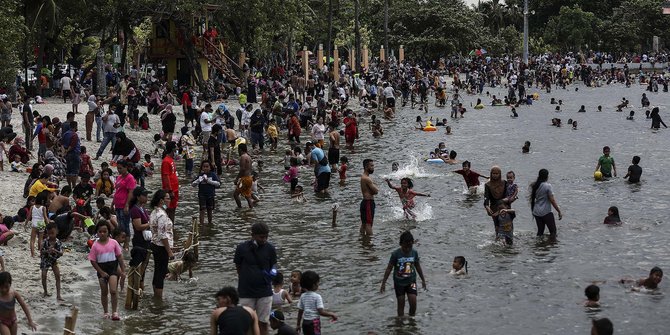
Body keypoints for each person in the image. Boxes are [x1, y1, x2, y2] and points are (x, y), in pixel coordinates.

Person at [234, 222, 277, 335]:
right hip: (246, 292)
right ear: (253, 235)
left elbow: (273, 264)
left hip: (265, 292)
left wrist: (273, 272)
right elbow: (238, 266)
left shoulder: (270, 249)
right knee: (246, 322)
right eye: (261, 237)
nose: (264, 239)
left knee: (263, 322)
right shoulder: (241, 248)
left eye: (266, 236)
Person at [380, 231, 427, 317]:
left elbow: (417, 266)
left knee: (413, 303)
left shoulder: (414, 253)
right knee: (401, 304)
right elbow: (389, 268)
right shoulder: (395, 254)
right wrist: (383, 283)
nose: (408, 249)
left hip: (411, 282)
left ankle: (411, 322)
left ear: (412, 243)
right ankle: (400, 324)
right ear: (401, 244)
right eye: (405, 247)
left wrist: (423, 280)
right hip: (399, 283)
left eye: (410, 246)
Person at [88, 220, 125, 320]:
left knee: (113, 291)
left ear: (109, 231)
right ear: (97, 232)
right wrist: (101, 272)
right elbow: (93, 261)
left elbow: (120, 257)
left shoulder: (114, 243)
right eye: (100, 232)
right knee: (104, 292)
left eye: (105, 231)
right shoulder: (95, 245)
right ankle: (105, 312)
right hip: (101, 269)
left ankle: (114, 312)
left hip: (113, 268)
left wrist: (123, 271)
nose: (102, 233)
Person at [149, 189, 175, 300]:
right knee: (161, 273)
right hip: (161, 246)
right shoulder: (161, 215)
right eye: (167, 198)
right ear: (161, 201)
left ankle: (156, 296)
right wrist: (169, 252)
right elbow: (162, 235)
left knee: (158, 271)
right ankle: (159, 299)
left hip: (155, 244)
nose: (169, 201)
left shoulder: (155, 212)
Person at [530, 169, 562, 241]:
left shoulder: (535, 185)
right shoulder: (547, 186)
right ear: (547, 176)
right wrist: (559, 211)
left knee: (540, 232)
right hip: (546, 212)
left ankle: (539, 247)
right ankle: (550, 248)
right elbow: (552, 200)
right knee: (553, 232)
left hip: (536, 211)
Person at [113, 160, 136, 250]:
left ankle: (126, 244)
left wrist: (127, 205)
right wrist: (113, 203)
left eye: (121, 168)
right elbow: (117, 191)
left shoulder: (130, 178)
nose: (119, 170)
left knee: (125, 225)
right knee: (120, 225)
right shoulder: (119, 177)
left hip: (124, 205)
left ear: (126, 167)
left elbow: (131, 192)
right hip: (118, 204)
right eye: (118, 168)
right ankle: (121, 242)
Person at [192, 160, 220, 225]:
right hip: (202, 195)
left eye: (207, 166)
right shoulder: (200, 175)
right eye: (204, 167)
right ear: (202, 168)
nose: (205, 168)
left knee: (210, 210)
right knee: (202, 210)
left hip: (210, 195)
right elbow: (193, 184)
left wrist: (208, 181)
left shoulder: (213, 175)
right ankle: (202, 224)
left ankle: (210, 223)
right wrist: (199, 180)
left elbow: (218, 184)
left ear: (210, 167)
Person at [40, 223, 64, 301]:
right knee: (44, 275)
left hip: (54, 260)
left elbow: (61, 253)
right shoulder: (45, 241)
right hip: (45, 260)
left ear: (56, 232)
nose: (51, 235)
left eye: (52, 233)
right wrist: (47, 251)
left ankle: (58, 295)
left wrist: (55, 251)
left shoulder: (58, 242)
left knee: (57, 276)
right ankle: (45, 291)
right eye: (49, 233)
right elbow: (41, 252)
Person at [28, 191, 51, 258]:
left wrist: (26, 223)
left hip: (35, 223)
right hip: (41, 223)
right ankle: (41, 253)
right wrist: (48, 224)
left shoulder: (32, 207)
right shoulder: (43, 208)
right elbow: (45, 217)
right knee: (40, 239)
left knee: (32, 240)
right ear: (43, 201)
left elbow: (29, 216)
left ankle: (32, 254)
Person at [161, 142, 179, 223]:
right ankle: (167, 224)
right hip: (169, 190)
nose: (177, 149)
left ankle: (171, 225)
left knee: (173, 208)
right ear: (172, 149)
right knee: (168, 208)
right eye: (175, 148)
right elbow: (166, 176)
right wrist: (170, 190)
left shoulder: (171, 160)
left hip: (175, 189)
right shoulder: (166, 161)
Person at [360, 159, 378, 236]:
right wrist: (374, 186)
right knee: (368, 224)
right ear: (366, 167)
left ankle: (362, 240)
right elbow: (376, 191)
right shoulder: (366, 178)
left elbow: (374, 191)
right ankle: (369, 243)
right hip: (368, 202)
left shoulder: (364, 177)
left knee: (364, 223)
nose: (373, 167)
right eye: (371, 166)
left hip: (365, 202)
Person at [234, 143, 255, 208]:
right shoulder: (249, 157)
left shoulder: (243, 157)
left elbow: (242, 169)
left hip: (245, 179)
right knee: (247, 195)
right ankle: (251, 209)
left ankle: (239, 208)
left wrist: (237, 178)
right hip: (249, 178)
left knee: (235, 194)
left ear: (240, 149)